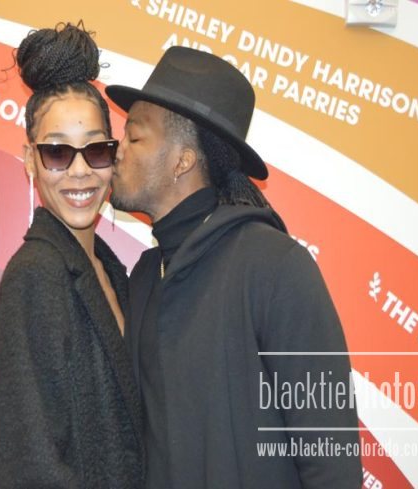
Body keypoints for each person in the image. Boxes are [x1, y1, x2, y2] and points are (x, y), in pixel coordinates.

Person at [106, 46, 362, 488]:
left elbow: (331, 459)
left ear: (182, 160)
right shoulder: (146, 275)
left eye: (135, 137)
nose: (118, 151)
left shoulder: (275, 266)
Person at [0, 23, 144, 488]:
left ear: (113, 156)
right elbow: (26, 465)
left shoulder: (113, 273)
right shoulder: (36, 275)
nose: (79, 172)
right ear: (30, 160)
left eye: (95, 150)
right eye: (57, 153)